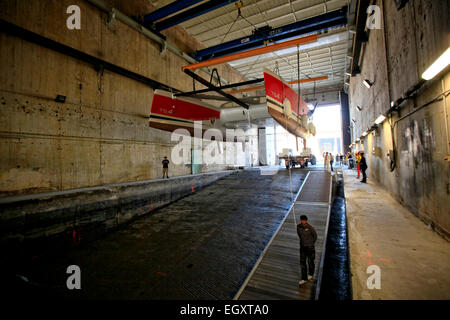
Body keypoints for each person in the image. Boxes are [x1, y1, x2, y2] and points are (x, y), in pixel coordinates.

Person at [297, 215, 317, 285]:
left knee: (310, 261)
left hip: (310, 247)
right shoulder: (298, 227)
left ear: (306, 221)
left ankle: (311, 274)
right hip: (302, 247)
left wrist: (311, 243)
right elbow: (299, 235)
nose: (302, 221)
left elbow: (315, 237)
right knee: (302, 263)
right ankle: (304, 278)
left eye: (304, 220)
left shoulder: (310, 228)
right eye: (301, 220)